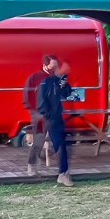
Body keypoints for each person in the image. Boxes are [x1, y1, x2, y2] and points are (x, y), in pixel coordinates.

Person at [37, 54, 76, 186]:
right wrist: (49, 114)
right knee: (60, 145)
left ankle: (63, 173)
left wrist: (64, 86)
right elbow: (40, 103)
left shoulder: (55, 80)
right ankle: (63, 174)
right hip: (51, 118)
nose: (54, 68)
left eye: (55, 66)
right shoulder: (43, 81)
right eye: (52, 66)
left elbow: (65, 94)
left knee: (60, 145)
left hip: (56, 116)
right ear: (45, 66)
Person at [24, 58, 53, 176]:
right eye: (52, 65)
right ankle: (31, 165)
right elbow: (26, 97)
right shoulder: (34, 78)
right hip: (39, 114)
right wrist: (34, 112)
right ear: (45, 65)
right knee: (39, 139)